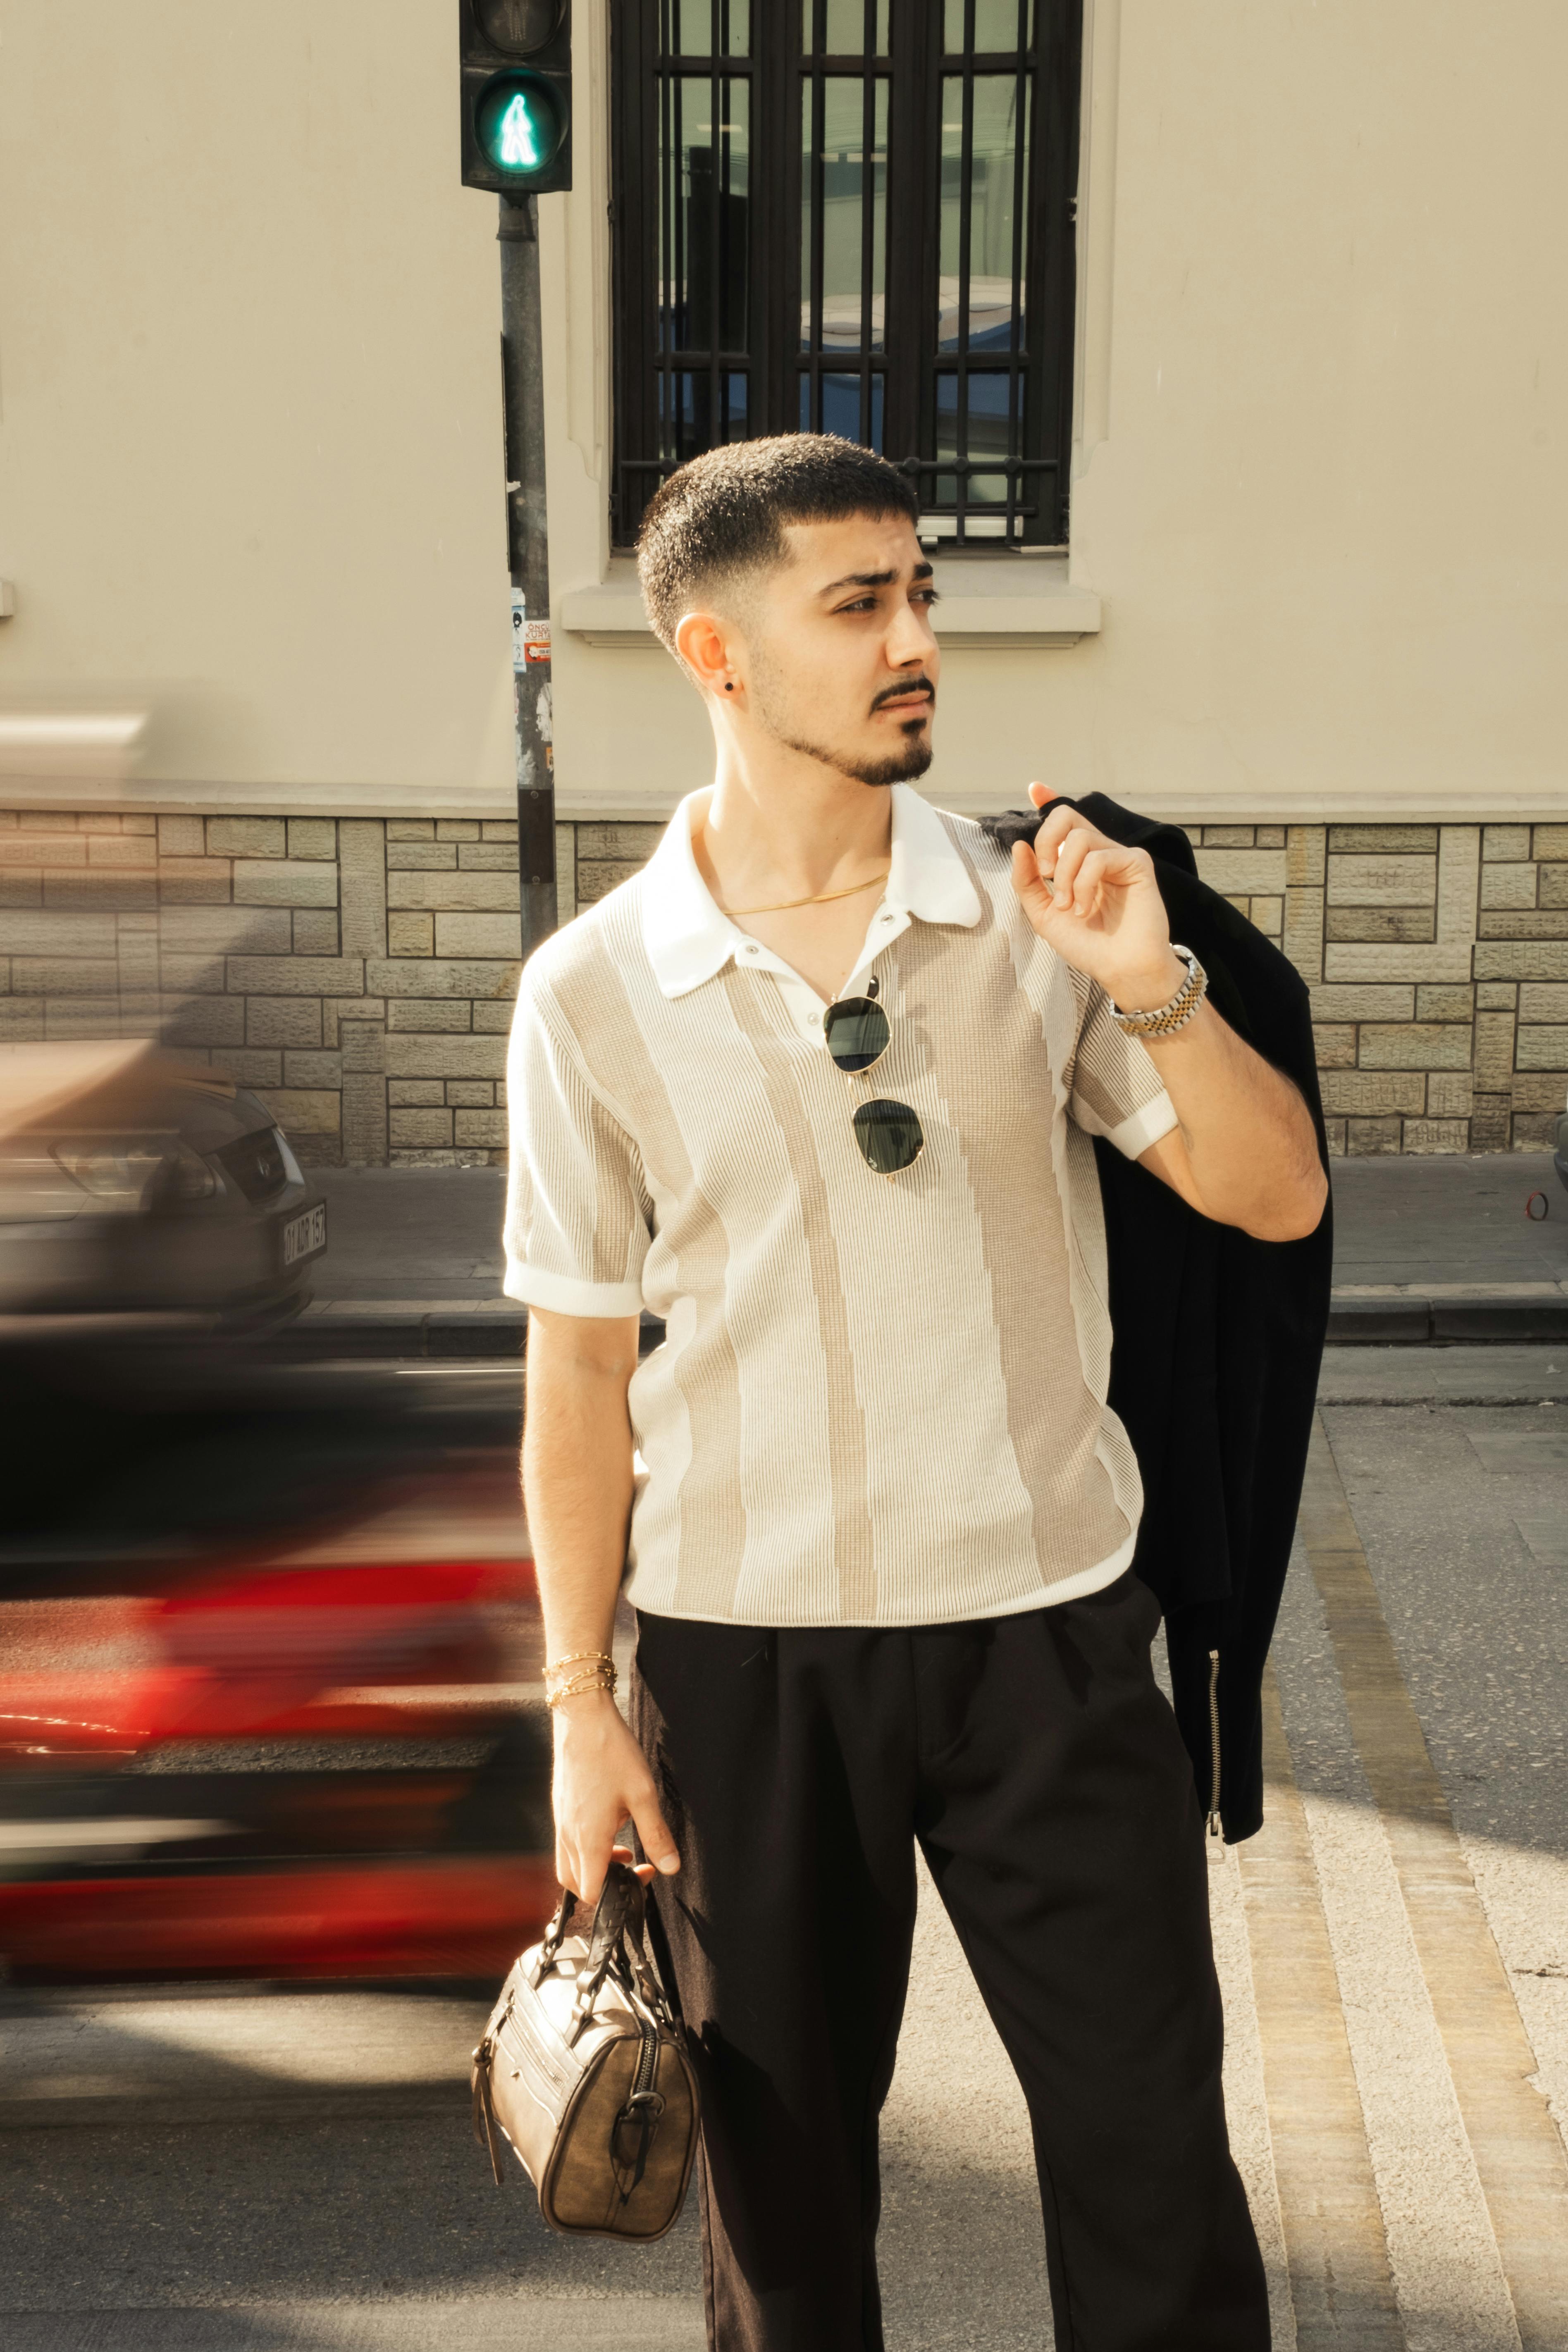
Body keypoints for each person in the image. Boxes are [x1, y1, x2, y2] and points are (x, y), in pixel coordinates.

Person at [503, 434, 1325, 2351]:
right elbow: (578, 1368)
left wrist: (1151, 980)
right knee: (790, 2226)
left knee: (1150, 2172)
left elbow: (1272, 1194)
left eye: (923, 595)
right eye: (855, 603)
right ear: (716, 653)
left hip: (1046, 1641)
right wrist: (572, 1704)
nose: (914, 641)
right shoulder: (595, 990)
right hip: (742, 1665)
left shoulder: (1031, 912)